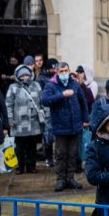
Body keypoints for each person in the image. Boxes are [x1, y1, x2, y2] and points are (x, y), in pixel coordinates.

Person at [41, 61, 89, 192]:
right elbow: (45, 100)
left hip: (75, 125)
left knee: (73, 153)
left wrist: (85, 119)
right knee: (61, 153)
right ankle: (61, 179)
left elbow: (82, 101)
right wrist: (61, 95)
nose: (64, 74)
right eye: (61, 71)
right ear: (57, 72)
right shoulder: (51, 85)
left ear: (69, 71)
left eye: (66, 71)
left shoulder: (74, 84)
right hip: (60, 126)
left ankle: (70, 177)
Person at [5, 64, 46, 175]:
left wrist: (44, 116)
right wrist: (10, 119)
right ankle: (20, 167)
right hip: (18, 123)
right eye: (22, 75)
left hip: (33, 122)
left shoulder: (36, 85)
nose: (25, 77)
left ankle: (31, 166)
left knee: (32, 146)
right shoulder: (13, 87)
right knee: (19, 147)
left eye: (27, 75)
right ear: (18, 76)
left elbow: (42, 102)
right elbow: (8, 104)